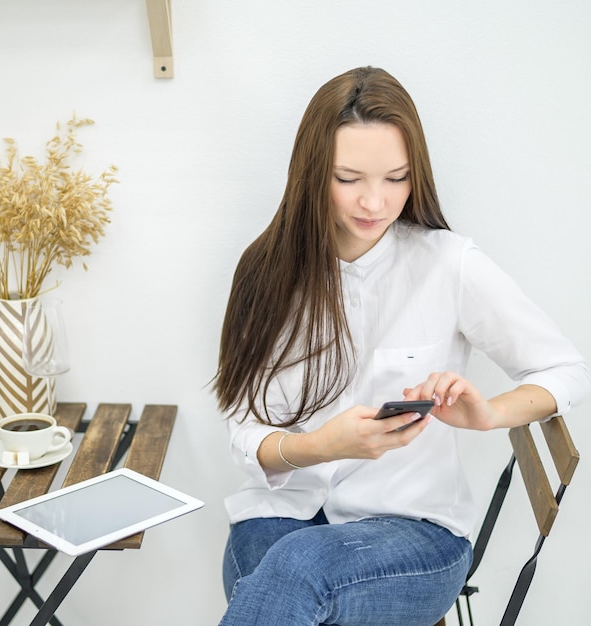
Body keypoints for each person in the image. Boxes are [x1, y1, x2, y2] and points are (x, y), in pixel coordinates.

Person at [213, 66, 590, 626]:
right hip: (282, 513)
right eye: (348, 178)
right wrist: (319, 446)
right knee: (283, 570)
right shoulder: (265, 272)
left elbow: (568, 369)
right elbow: (245, 431)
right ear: (311, 174)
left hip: (414, 533)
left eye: (397, 178)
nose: (374, 201)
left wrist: (488, 414)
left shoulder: (449, 264)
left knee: (293, 573)